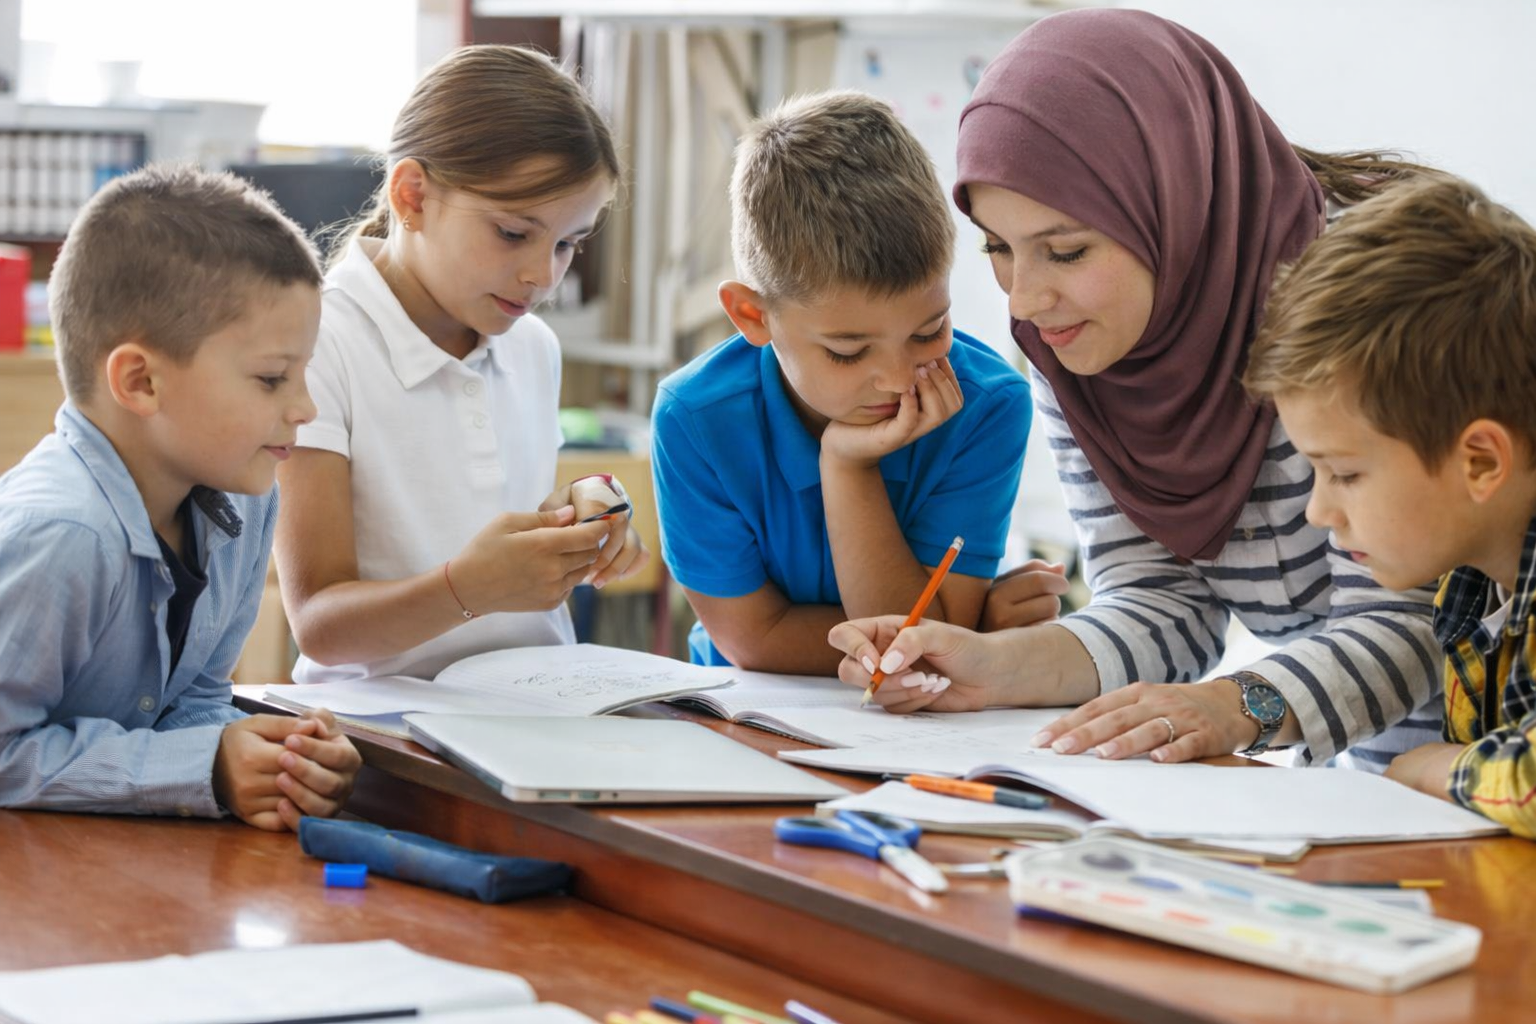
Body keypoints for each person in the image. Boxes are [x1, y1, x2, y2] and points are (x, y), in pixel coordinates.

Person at [828, 9, 1443, 770]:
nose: (1022, 301)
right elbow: (1163, 603)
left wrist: (1233, 706)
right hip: (1368, 758)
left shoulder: (1366, 300)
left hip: (1491, 741)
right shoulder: (1080, 341)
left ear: (1172, 198)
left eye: (1066, 250)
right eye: (998, 248)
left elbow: (1414, 624)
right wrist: (992, 667)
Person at [0, 164, 361, 830]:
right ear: (141, 382)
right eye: (272, 379)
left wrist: (266, 756)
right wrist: (201, 766)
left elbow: (193, 698)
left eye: (304, 374)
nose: (305, 408)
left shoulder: (245, 500)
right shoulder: (59, 534)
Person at [276, 45, 647, 685]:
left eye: (567, 244)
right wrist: (466, 588)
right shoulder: (319, 343)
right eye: (512, 233)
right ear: (413, 195)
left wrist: (573, 517)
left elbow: (494, 528)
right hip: (384, 730)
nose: (542, 276)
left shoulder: (532, 346)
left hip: (537, 704)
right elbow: (320, 624)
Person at [652, 91, 1031, 673]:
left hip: (928, 731)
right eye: (849, 352)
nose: (902, 378)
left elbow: (920, 647)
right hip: (742, 717)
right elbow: (754, 642)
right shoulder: (695, 420)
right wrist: (968, 628)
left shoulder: (986, 406)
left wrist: (847, 467)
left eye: (930, 331)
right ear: (754, 317)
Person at [1244, 176, 1536, 837]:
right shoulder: (1470, 589)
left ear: (1481, 462)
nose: (1318, 510)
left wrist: (1433, 767)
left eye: (1343, 473)